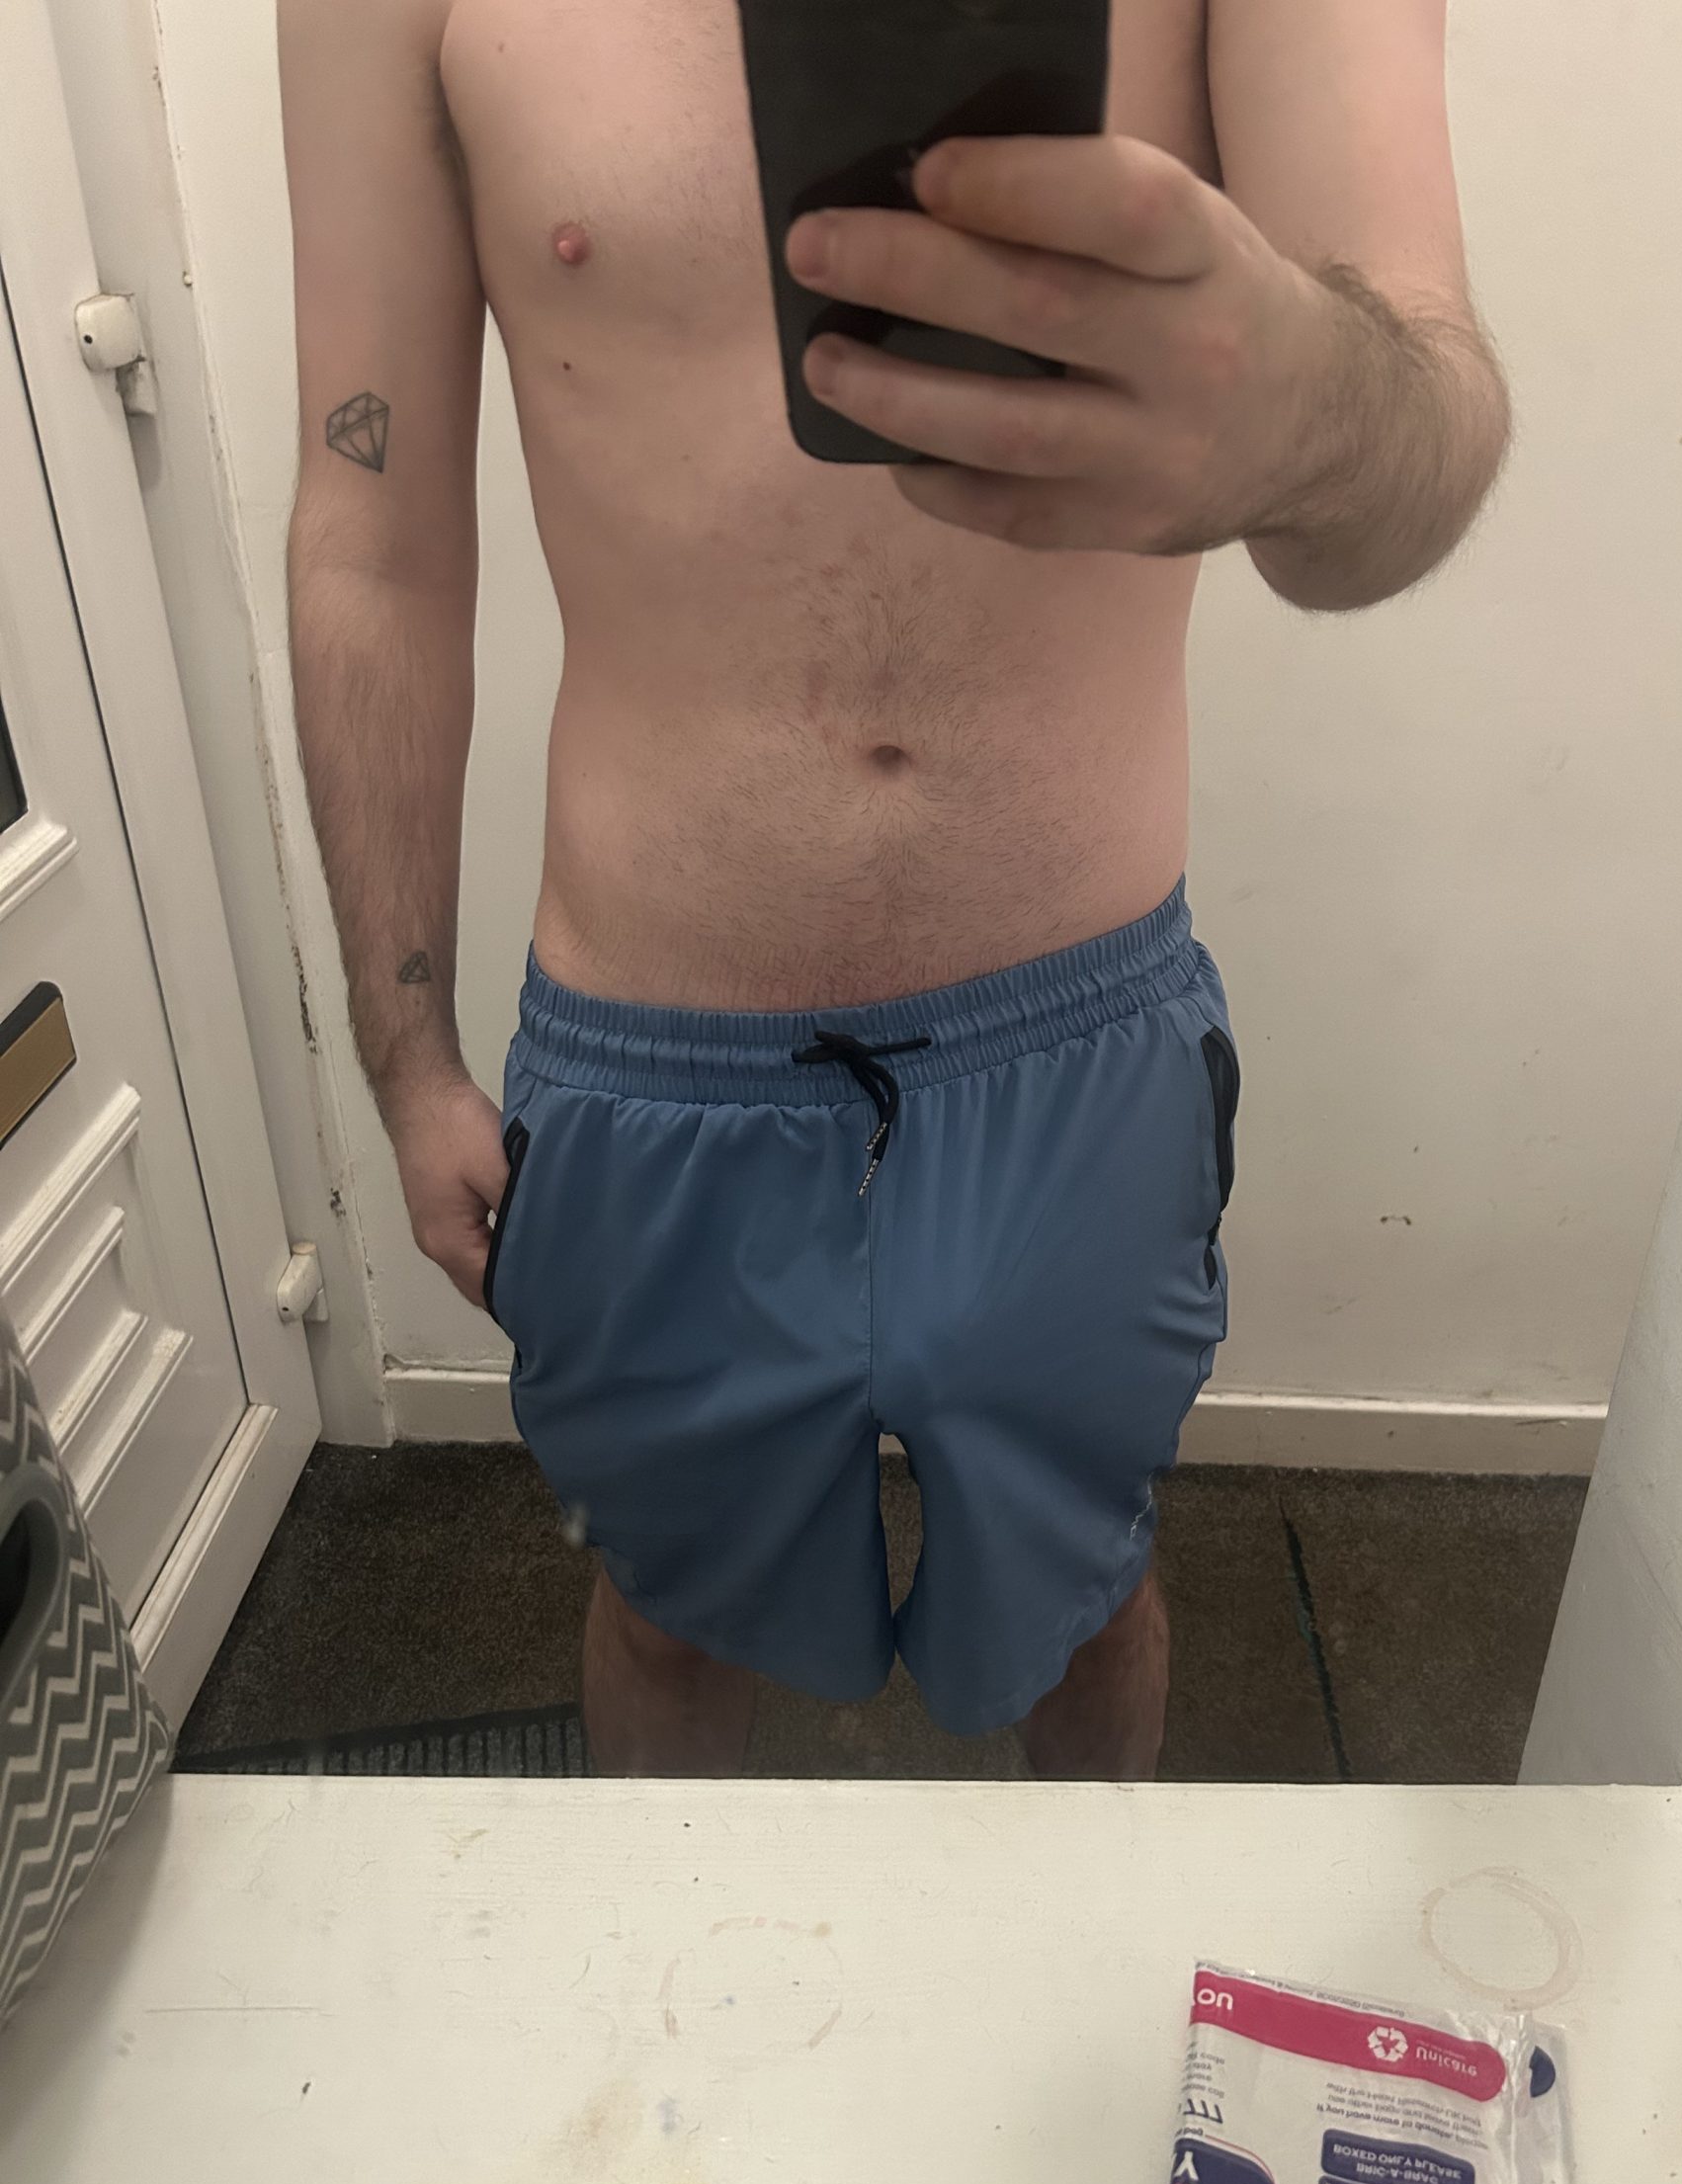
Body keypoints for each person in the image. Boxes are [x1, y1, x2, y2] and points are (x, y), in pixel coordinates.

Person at [277, 0, 1509, 1782]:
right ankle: (676, 1970)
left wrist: (1309, 410)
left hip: (1078, 1034)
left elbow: (1427, 427)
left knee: (1086, 1600)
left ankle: (1077, 1947)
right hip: (648, 1045)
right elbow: (370, 539)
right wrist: (407, 1062)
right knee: (670, 1615)